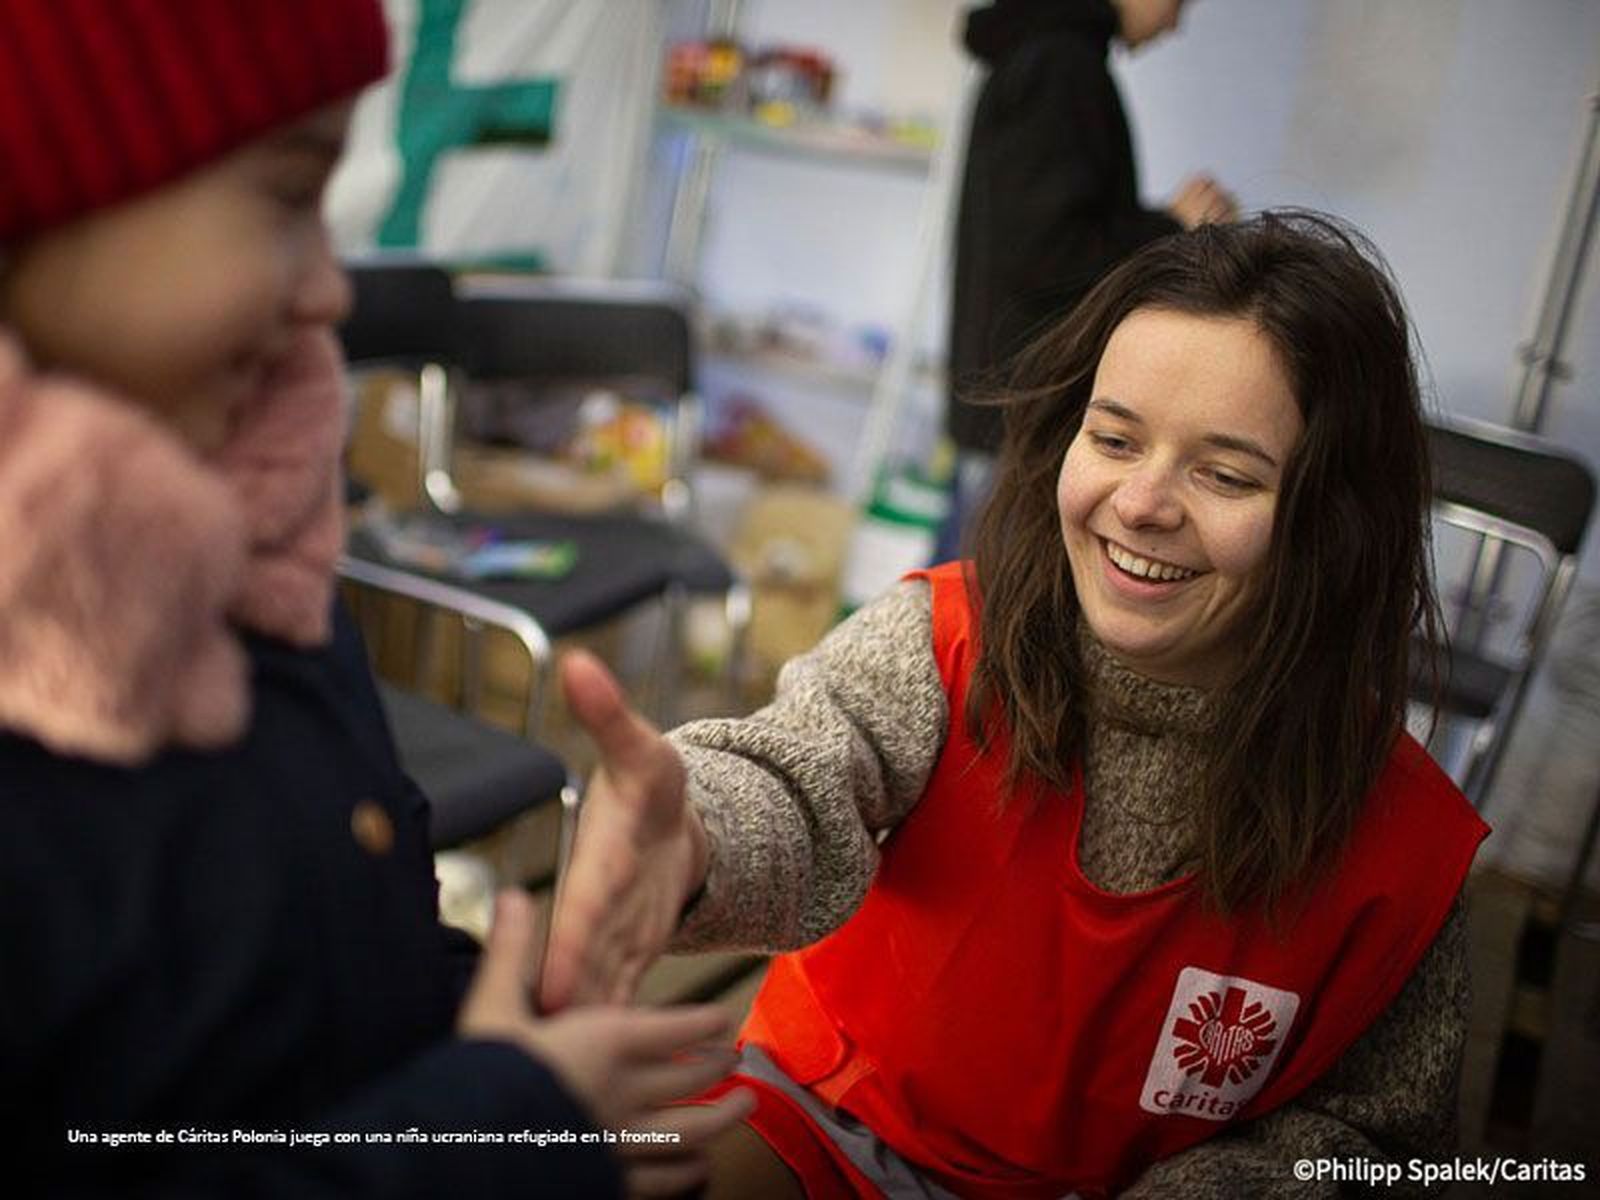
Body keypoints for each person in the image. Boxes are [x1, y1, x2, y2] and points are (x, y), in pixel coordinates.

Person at [545, 211, 1489, 1198]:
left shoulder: (1401, 851)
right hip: (825, 1124)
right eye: (1114, 437)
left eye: (1222, 473)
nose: (1141, 502)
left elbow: (1370, 1138)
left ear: (1334, 520)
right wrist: (694, 833)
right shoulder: (946, 639)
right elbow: (804, 769)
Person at [0, 2, 750, 1195]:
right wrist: (486, 1124)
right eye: (287, 196)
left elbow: (316, 933)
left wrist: (505, 1019)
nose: (330, 296)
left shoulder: (243, 552)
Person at [938, 0, 1237, 561]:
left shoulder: (1042, 54)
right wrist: (1172, 228)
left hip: (1008, 394)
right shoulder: (1061, 68)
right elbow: (1046, 252)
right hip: (1025, 405)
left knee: (962, 594)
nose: (1177, 22)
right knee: (972, 608)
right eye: (1180, 1)